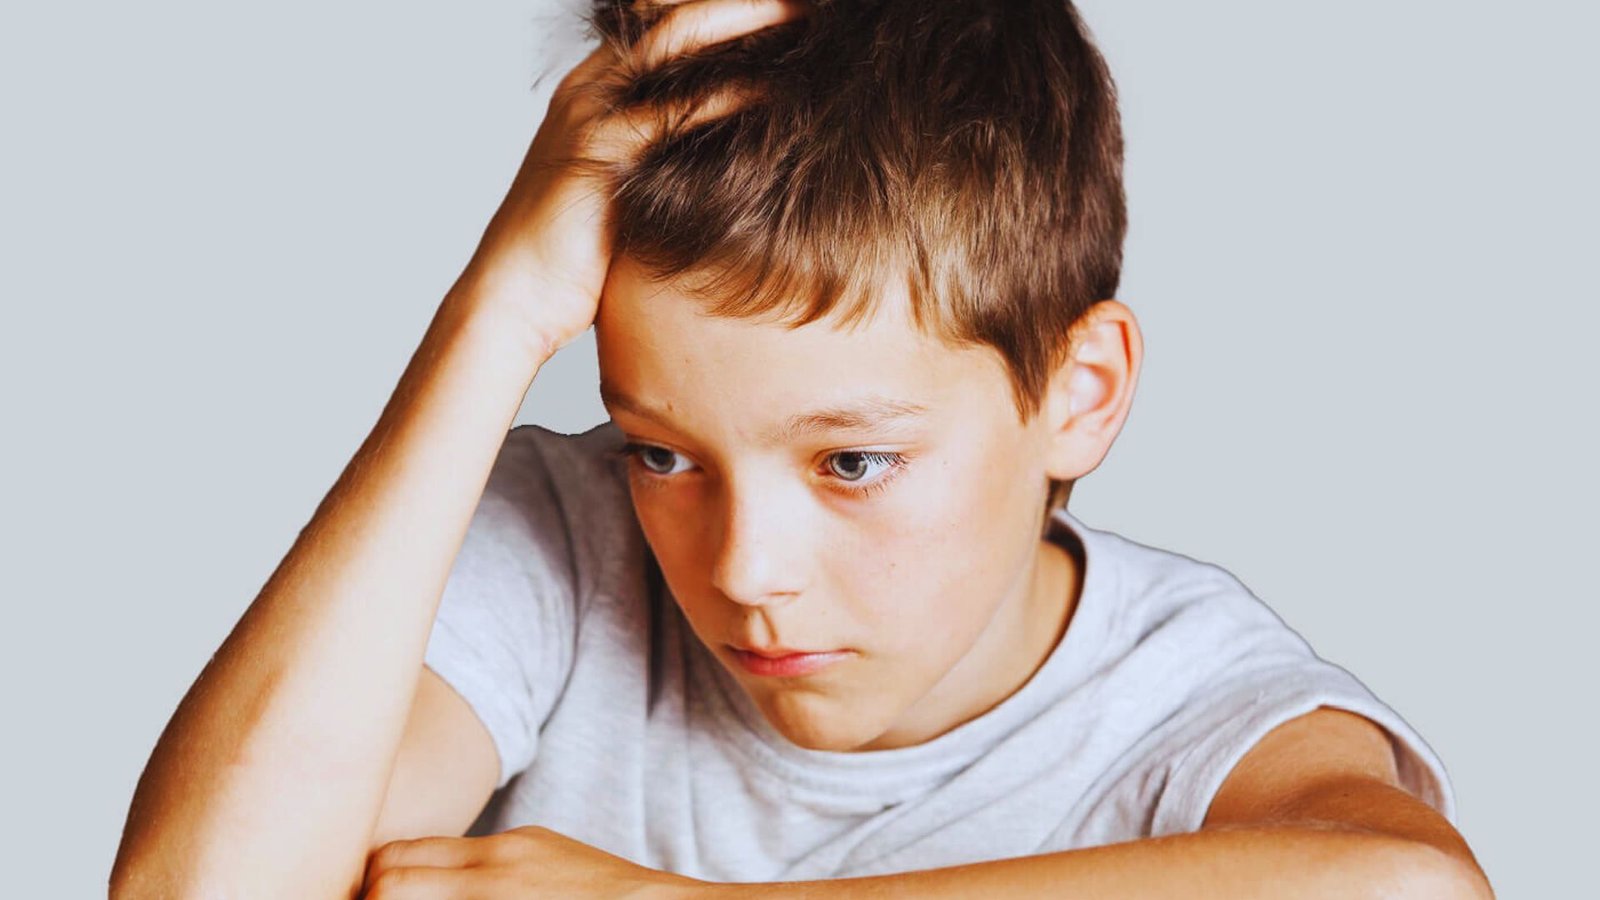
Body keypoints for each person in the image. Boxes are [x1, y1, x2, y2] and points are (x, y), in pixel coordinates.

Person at [112, 1, 1493, 897]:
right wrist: (499, 311)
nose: (746, 569)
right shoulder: (560, 546)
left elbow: (1403, 891)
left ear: (1080, 390)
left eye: (851, 464)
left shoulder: (1185, 706)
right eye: (663, 451)